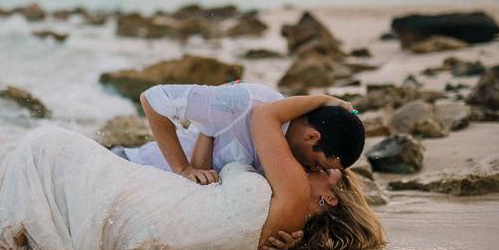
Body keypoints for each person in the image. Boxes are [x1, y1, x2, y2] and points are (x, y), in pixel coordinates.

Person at [0, 95, 386, 250]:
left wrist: (326, 101)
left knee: (46, 146)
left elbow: (267, 113)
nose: (313, 172)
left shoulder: (290, 199)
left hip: (149, 209)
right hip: (149, 231)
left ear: (331, 195)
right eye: (319, 165)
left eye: (324, 173)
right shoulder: (282, 228)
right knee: (40, 187)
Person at [114, 83, 365, 186]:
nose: (312, 170)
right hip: (129, 169)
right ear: (311, 137)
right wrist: (182, 169)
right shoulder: (246, 102)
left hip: (159, 198)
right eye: (318, 163)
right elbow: (154, 98)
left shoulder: (283, 155)